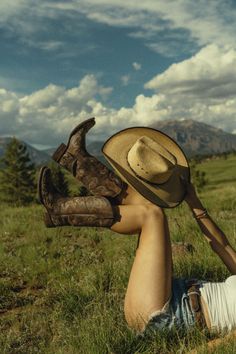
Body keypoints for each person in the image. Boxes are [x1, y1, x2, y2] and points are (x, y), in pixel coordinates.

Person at [38, 118, 236, 335]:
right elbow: (222, 246)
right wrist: (194, 202)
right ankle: (76, 160)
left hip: (167, 315)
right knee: (146, 205)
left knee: (152, 216)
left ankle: (60, 209)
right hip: (172, 293)